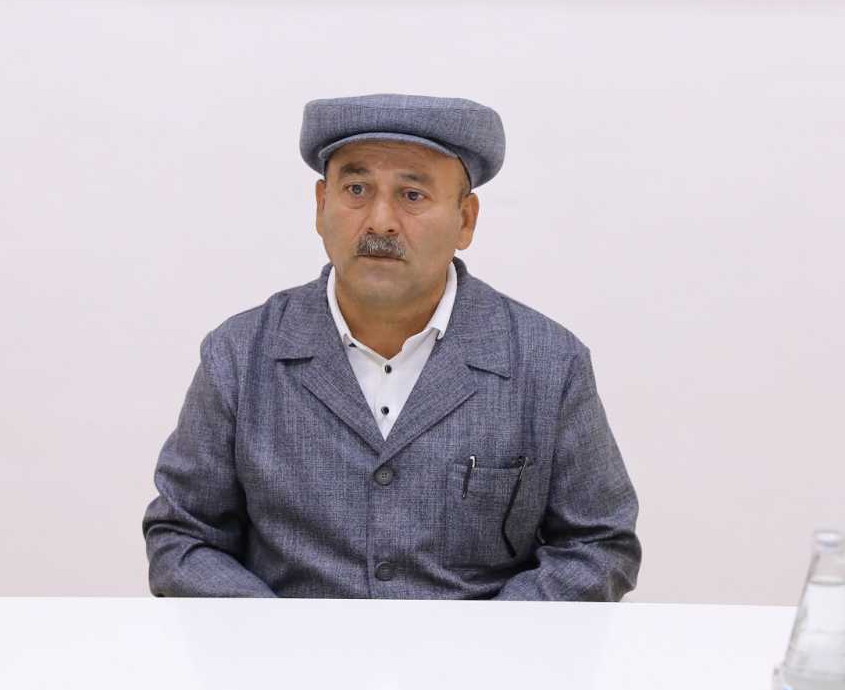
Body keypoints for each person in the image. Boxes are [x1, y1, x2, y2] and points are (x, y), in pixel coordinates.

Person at [142, 93, 641, 599]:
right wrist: (275, 631)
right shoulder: (240, 355)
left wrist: (492, 635)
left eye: (412, 195)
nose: (380, 221)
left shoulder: (548, 363)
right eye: (357, 189)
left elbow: (599, 544)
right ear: (321, 205)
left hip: (479, 651)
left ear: (465, 219)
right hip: (286, 649)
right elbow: (182, 536)